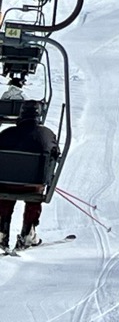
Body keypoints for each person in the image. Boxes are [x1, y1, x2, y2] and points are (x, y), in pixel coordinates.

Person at [0, 100, 58, 251]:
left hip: (6, 184)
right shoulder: (46, 134)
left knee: (6, 192)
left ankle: (2, 230)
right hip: (33, 186)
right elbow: (55, 153)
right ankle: (28, 231)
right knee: (36, 186)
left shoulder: (7, 134)